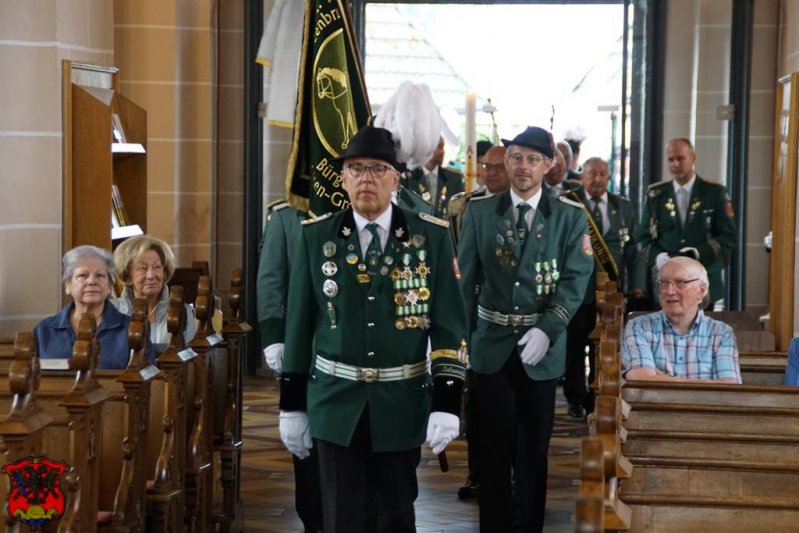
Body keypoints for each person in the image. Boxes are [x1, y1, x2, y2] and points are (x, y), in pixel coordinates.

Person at [278, 125, 469, 532]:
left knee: (395, 515)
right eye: (357, 169)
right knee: (341, 517)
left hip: (400, 402)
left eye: (378, 169)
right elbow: (298, 327)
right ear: (343, 179)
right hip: (334, 402)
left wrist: (448, 401)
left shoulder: (430, 237)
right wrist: (291, 404)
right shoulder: (316, 236)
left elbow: (451, 325)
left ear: (396, 179)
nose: (367, 178)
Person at [458, 125, 594, 532]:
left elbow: (575, 279)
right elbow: (465, 282)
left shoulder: (569, 217)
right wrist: (459, 346)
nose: (522, 166)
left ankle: (529, 525)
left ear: (550, 166)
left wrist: (549, 328)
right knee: (493, 448)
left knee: (533, 451)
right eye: (516, 157)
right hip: (491, 344)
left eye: (533, 159)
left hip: (542, 347)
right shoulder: (480, 212)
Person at [561, 157, 647, 419]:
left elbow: (634, 248)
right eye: (592, 174)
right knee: (575, 346)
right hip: (577, 290)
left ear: (609, 177)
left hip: (611, 289)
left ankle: (600, 395)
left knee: (607, 346)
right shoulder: (569, 203)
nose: (597, 179)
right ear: (582, 177)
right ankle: (575, 398)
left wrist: (638, 286)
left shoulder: (623, 206)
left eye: (602, 174)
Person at [256, 200, 323, 532]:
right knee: (306, 445)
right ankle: (315, 520)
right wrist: (273, 336)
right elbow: (271, 279)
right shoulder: (287, 215)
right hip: (303, 351)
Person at [639, 138, 737, 306]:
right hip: (667, 283)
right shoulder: (656, 195)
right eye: (671, 159)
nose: (675, 164)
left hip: (703, 280)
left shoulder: (714, 193)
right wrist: (658, 256)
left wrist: (698, 252)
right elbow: (643, 237)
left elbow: (729, 237)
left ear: (693, 158)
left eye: (680, 158)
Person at [621, 256, 741, 383]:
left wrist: (660, 378)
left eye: (680, 283)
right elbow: (641, 380)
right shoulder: (639, 326)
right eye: (663, 283)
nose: (669, 291)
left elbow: (729, 388)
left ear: (701, 290)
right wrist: (708, 384)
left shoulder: (722, 333)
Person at [35, 245, 132, 369]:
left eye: (100, 276)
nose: (92, 281)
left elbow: (150, 377)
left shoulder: (130, 329)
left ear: (109, 286)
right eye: (83, 275)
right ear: (68, 285)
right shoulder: (44, 330)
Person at [112, 235, 195, 353]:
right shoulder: (112, 311)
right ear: (127, 275)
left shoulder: (183, 312)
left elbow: (189, 362)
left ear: (165, 272)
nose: (151, 275)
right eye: (142, 268)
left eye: (157, 267)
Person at [449, 145, 511, 245]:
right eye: (488, 166)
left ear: (511, 169)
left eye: (499, 167)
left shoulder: (519, 204)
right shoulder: (463, 204)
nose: (492, 173)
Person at [403, 136, 464, 217]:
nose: (443, 151)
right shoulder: (409, 179)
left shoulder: (454, 178)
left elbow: (459, 212)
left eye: (443, 146)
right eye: (439, 146)